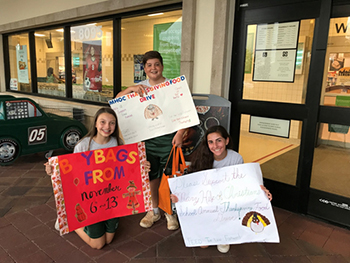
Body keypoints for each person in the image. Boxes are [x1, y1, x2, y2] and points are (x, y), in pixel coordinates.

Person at [45, 107, 150, 249]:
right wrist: (54, 170)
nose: (107, 127)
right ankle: (70, 221)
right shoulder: (83, 145)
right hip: (89, 199)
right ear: (95, 124)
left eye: (112, 123)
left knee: (108, 240)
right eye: (103, 122)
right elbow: (71, 173)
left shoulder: (118, 144)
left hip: (111, 198)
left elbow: (127, 169)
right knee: (98, 244)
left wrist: (142, 166)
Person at [171, 125, 272, 253]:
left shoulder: (236, 158)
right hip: (208, 202)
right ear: (207, 144)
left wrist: (261, 190)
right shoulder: (201, 157)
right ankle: (211, 228)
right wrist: (179, 196)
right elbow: (192, 185)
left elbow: (244, 182)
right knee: (203, 245)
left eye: (219, 140)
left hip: (227, 200)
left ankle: (224, 235)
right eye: (211, 142)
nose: (215, 145)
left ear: (226, 141)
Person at [116, 50, 184, 231]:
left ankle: (169, 211)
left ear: (162, 66)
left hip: (169, 139)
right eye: (149, 65)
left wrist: (180, 133)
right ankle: (153, 210)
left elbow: (185, 113)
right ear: (144, 68)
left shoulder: (172, 86)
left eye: (157, 64)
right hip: (148, 141)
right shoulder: (140, 88)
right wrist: (131, 89)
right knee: (151, 176)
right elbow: (117, 101)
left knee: (169, 176)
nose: (153, 68)